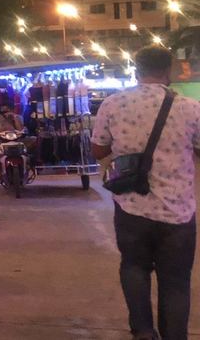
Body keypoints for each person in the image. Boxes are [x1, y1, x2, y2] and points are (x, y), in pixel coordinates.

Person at [92, 46, 199, 340]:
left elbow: (98, 149)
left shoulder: (113, 104)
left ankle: (142, 332)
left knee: (134, 268)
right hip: (178, 211)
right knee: (176, 281)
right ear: (169, 69)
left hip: (131, 206)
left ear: (136, 69)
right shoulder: (191, 108)